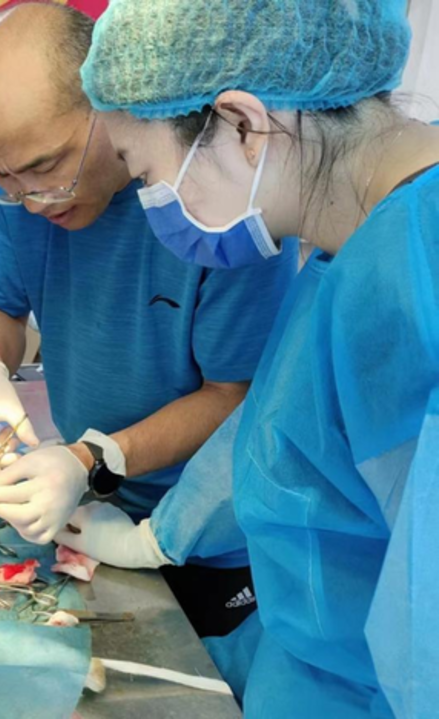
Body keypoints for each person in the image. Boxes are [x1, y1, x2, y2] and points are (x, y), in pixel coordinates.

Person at [82, 0, 439, 714]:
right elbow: (288, 445)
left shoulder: (411, 277)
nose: (155, 203)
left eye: (146, 174)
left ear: (243, 126)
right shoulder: (348, 251)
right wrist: (161, 537)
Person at [0, 1, 297, 637]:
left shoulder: (216, 207)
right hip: (95, 508)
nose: (31, 201)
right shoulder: (21, 190)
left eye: (46, 167)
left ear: (109, 105)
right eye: (2, 176)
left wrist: (91, 457)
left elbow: (234, 395)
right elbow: (1, 305)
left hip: (209, 529)